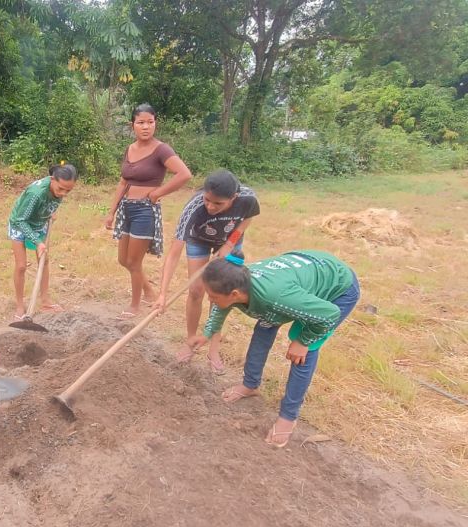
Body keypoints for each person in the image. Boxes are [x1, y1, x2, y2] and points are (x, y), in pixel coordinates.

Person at [191, 250, 360, 447]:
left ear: (235, 294)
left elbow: (329, 314)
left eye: (213, 296)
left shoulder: (275, 296)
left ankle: (288, 416)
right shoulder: (236, 280)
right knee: (265, 325)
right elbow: (222, 307)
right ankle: (250, 385)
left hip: (337, 288)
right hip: (302, 276)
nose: (210, 300)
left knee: (303, 352)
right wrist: (207, 333)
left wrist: (304, 341)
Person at [155, 170, 260, 372]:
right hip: (199, 240)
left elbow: (248, 218)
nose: (210, 207)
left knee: (220, 294)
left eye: (218, 204)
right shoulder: (194, 206)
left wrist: (229, 243)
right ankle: (190, 341)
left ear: (234, 198)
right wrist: (162, 294)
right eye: (207, 200)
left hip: (231, 240)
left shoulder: (248, 198)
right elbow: (174, 252)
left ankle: (213, 348)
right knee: (196, 290)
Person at [104, 103, 191, 319]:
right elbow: (123, 182)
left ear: (155, 123)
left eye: (150, 122)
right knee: (123, 260)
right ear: (132, 124)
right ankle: (148, 290)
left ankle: (135, 306)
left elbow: (184, 174)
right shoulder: (130, 149)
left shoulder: (162, 149)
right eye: (141, 122)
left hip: (145, 211)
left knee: (134, 262)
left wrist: (157, 193)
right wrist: (111, 211)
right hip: (127, 209)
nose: (146, 127)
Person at [8, 162, 79, 318]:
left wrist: (50, 212)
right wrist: (37, 242)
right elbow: (21, 220)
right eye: (61, 189)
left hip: (40, 223)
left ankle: (45, 300)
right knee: (20, 266)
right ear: (52, 179)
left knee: (44, 260)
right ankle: (20, 306)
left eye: (68, 191)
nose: (63, 194)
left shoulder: (60, 189)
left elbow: (54, 201)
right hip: (19, 224)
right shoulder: (36, 193)